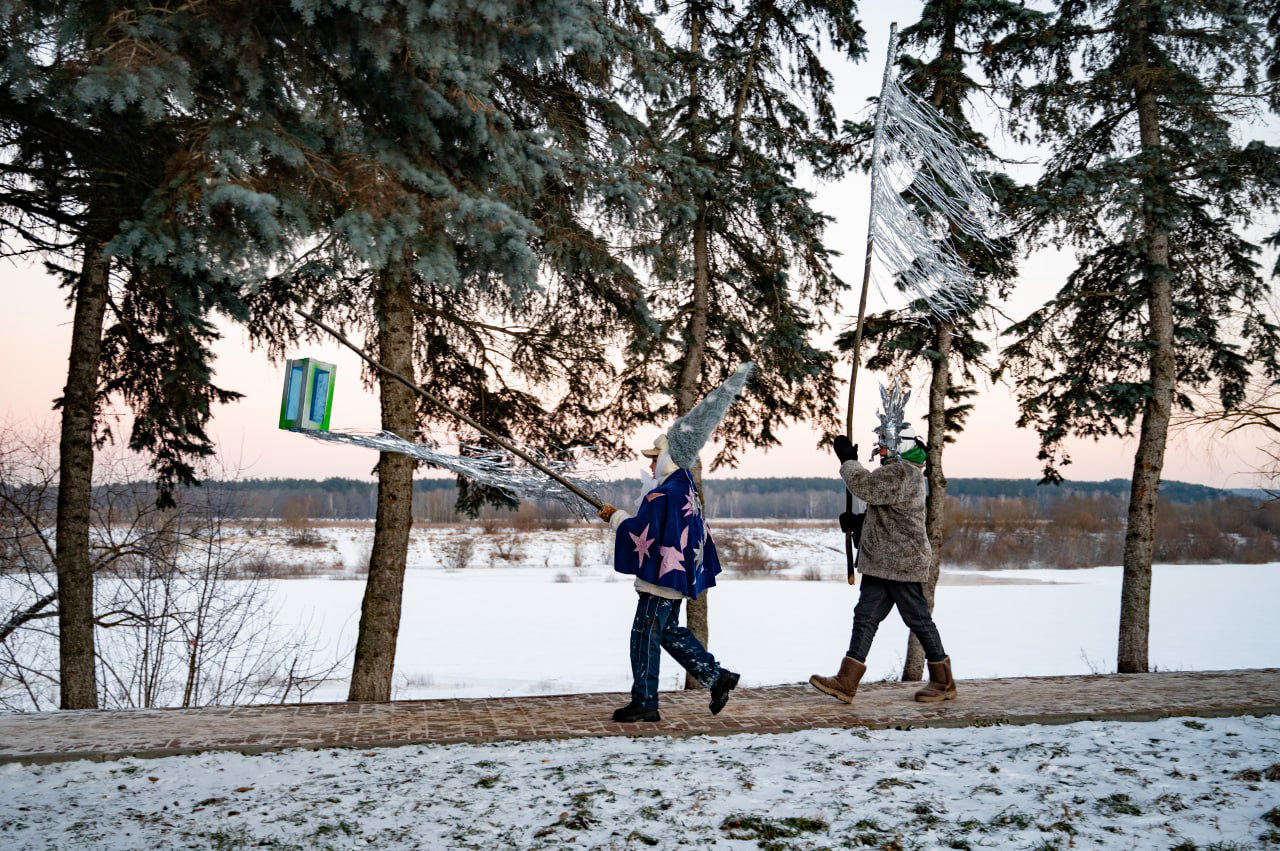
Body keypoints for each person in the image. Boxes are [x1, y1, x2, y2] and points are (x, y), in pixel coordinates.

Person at [595, 365, 753, 723]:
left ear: (668, 457)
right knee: (667, 632)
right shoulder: (684, 488)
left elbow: (644, 533)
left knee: (643, 636)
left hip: (661, 580)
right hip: (676, 576)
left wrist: (616, 517)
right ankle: (715, 676)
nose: (651, 465)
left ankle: (645, 701)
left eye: (655, 459)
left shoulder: (665, 493)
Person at [809, 411, 957, 705]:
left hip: (901, 562)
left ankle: (943, 681)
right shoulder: (899, 472)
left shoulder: (903, 472)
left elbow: (867, 487)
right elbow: (889, 516)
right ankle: (847, 681)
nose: (880, 449)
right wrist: (859, 524)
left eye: (885, 444)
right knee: (865, 617)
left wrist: (848, 462)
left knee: (917, 618)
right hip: (883, 562)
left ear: (899, 445)